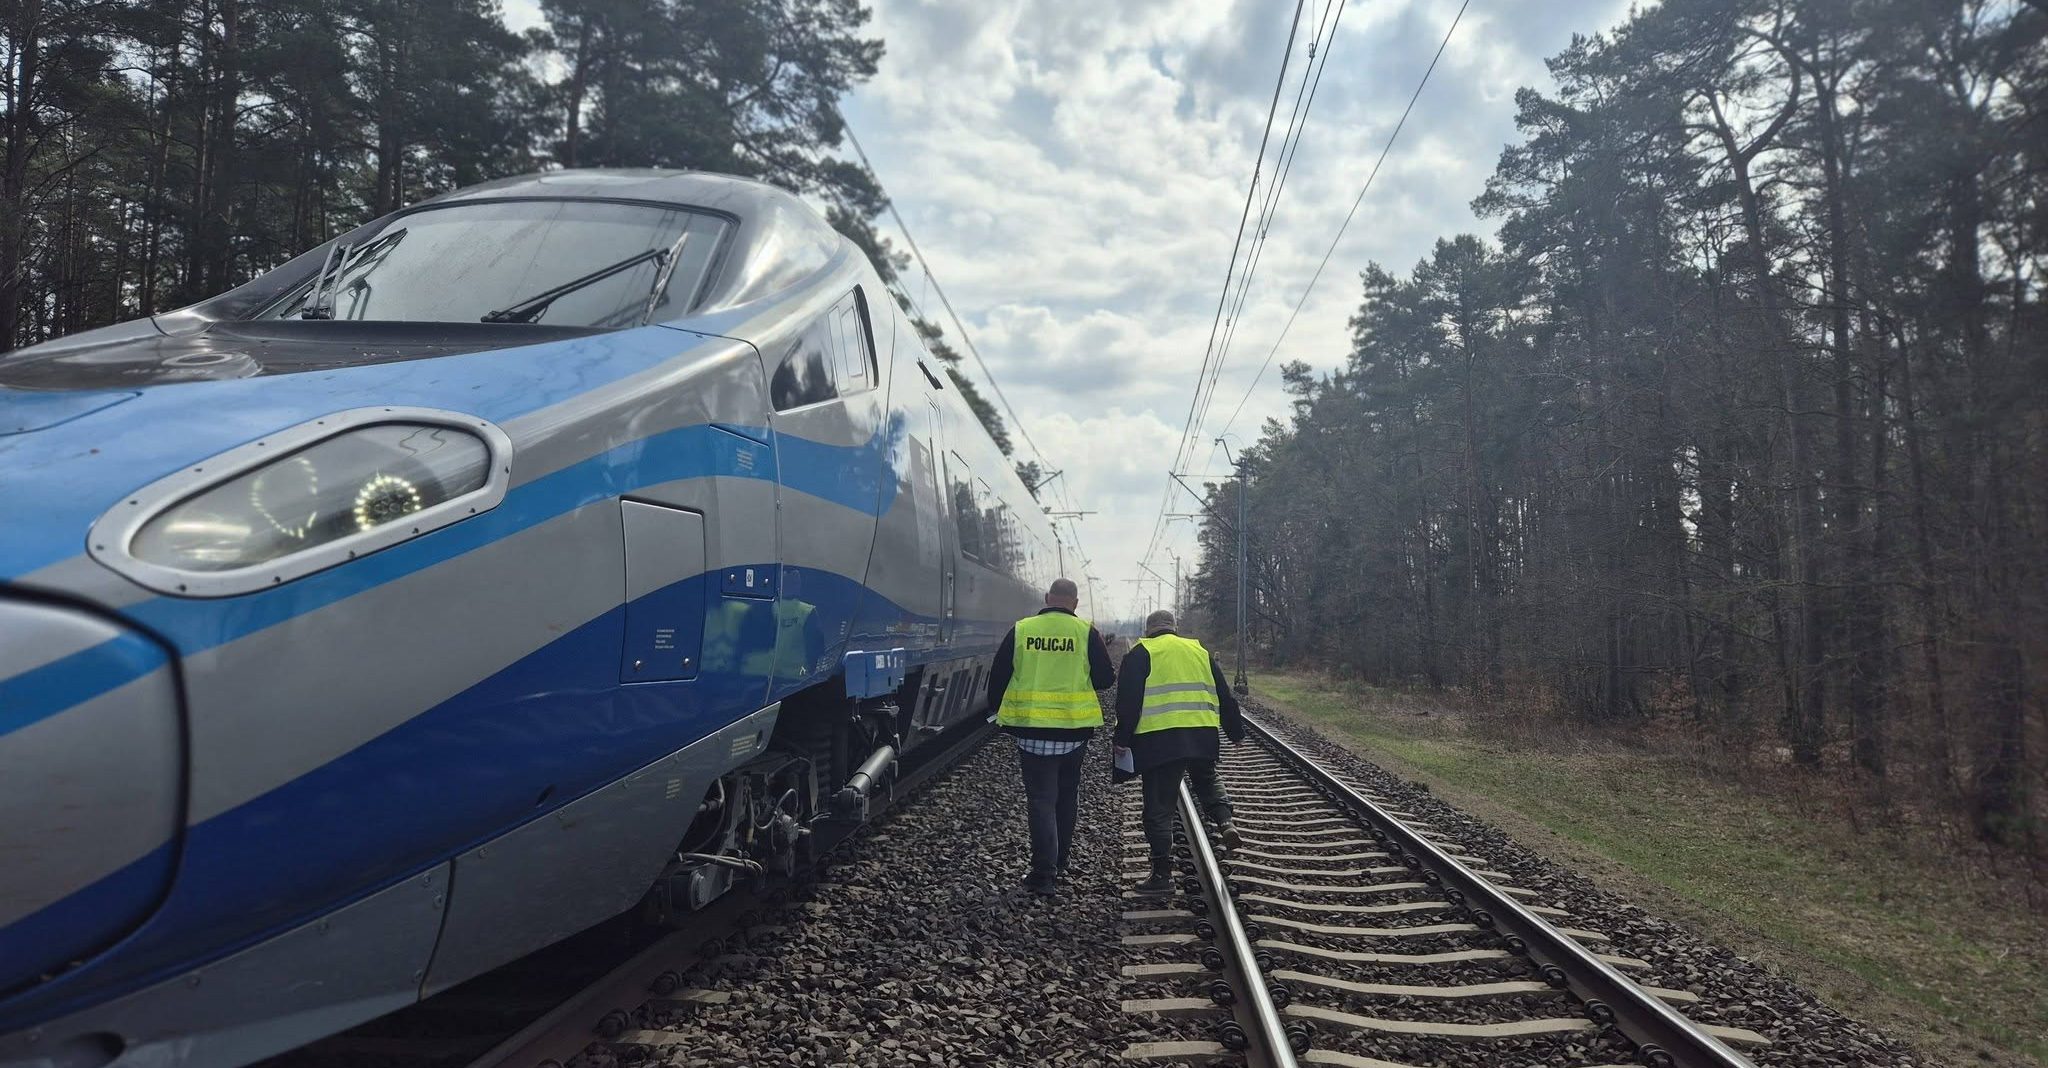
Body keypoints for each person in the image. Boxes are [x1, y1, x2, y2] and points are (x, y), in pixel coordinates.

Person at [986, 578, 1116, 896]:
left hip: (1032, 731)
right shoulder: (1086, 632)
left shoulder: (1022, 629)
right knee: (1067, 795)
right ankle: (1062, 860)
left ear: (1047, 598)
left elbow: (999, 676)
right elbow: (1105, 679)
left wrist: (997, 714)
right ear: (1074, 601)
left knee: (1041, 800)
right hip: (1074, 732)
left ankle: (1044, 874)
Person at [1114, 609, 1243, 895]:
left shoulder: (1140, 653)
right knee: (1207, 779)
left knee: (1159, 808)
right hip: (1202, 735)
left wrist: (1121, 738)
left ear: (1149, 630)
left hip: (1160, 741)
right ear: (1174, 627)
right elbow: (1224, 695)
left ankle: (1162, 875)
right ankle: (1225, 822)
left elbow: (1128, 702)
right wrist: (1235, 732)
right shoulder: (1199, 651)